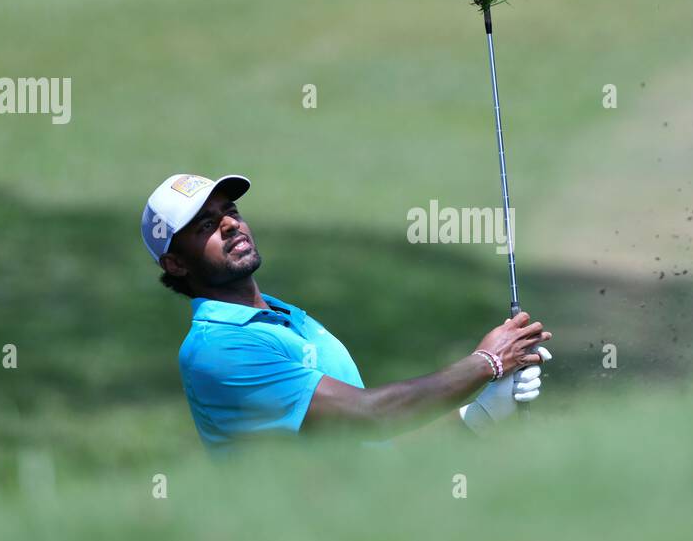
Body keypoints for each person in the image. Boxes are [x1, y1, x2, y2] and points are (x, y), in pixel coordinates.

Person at [141, 173, 552, 447]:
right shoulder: (219, 350)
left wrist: (481, 413)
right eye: (206, 226)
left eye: (231, 211)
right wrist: (486, 363)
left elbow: (373, 457)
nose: (230, 224)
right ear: (176, 263)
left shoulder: (290, 319)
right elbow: (369, 414)